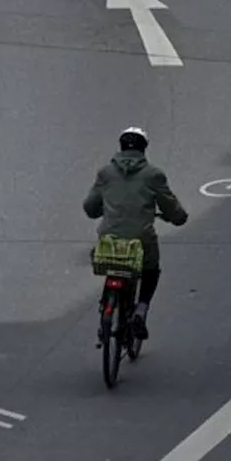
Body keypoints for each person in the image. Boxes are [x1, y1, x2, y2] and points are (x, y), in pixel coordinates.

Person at [83, 127, 188, 339]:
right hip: (141, 240)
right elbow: (171, 209)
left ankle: (106, 307)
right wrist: (177, 218)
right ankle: (140, 311)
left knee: (112, 263)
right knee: (150, 269)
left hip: (109, 239)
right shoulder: (153, 175)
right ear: (144, 149)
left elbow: (90, 207)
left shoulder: (105, 173)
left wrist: (101, 210)